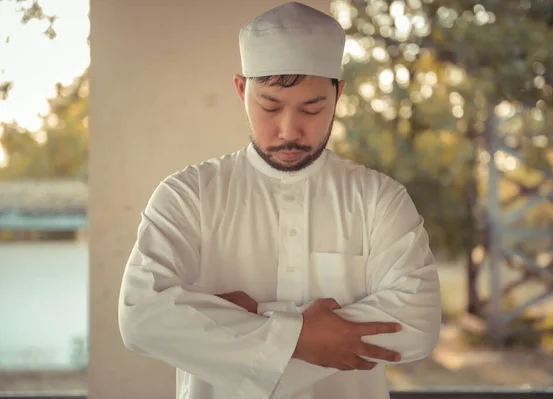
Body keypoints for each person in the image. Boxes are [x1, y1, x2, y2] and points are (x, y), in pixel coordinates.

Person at [117, 2, 441, 398]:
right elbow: (142, 316)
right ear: (241, 89)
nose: (289, 130)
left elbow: (417, 323)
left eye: (312, 107)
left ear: (337, 94)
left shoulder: (379, 200)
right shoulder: (188, 196)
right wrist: (306, 338)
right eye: (270, 106)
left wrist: (253, 317)